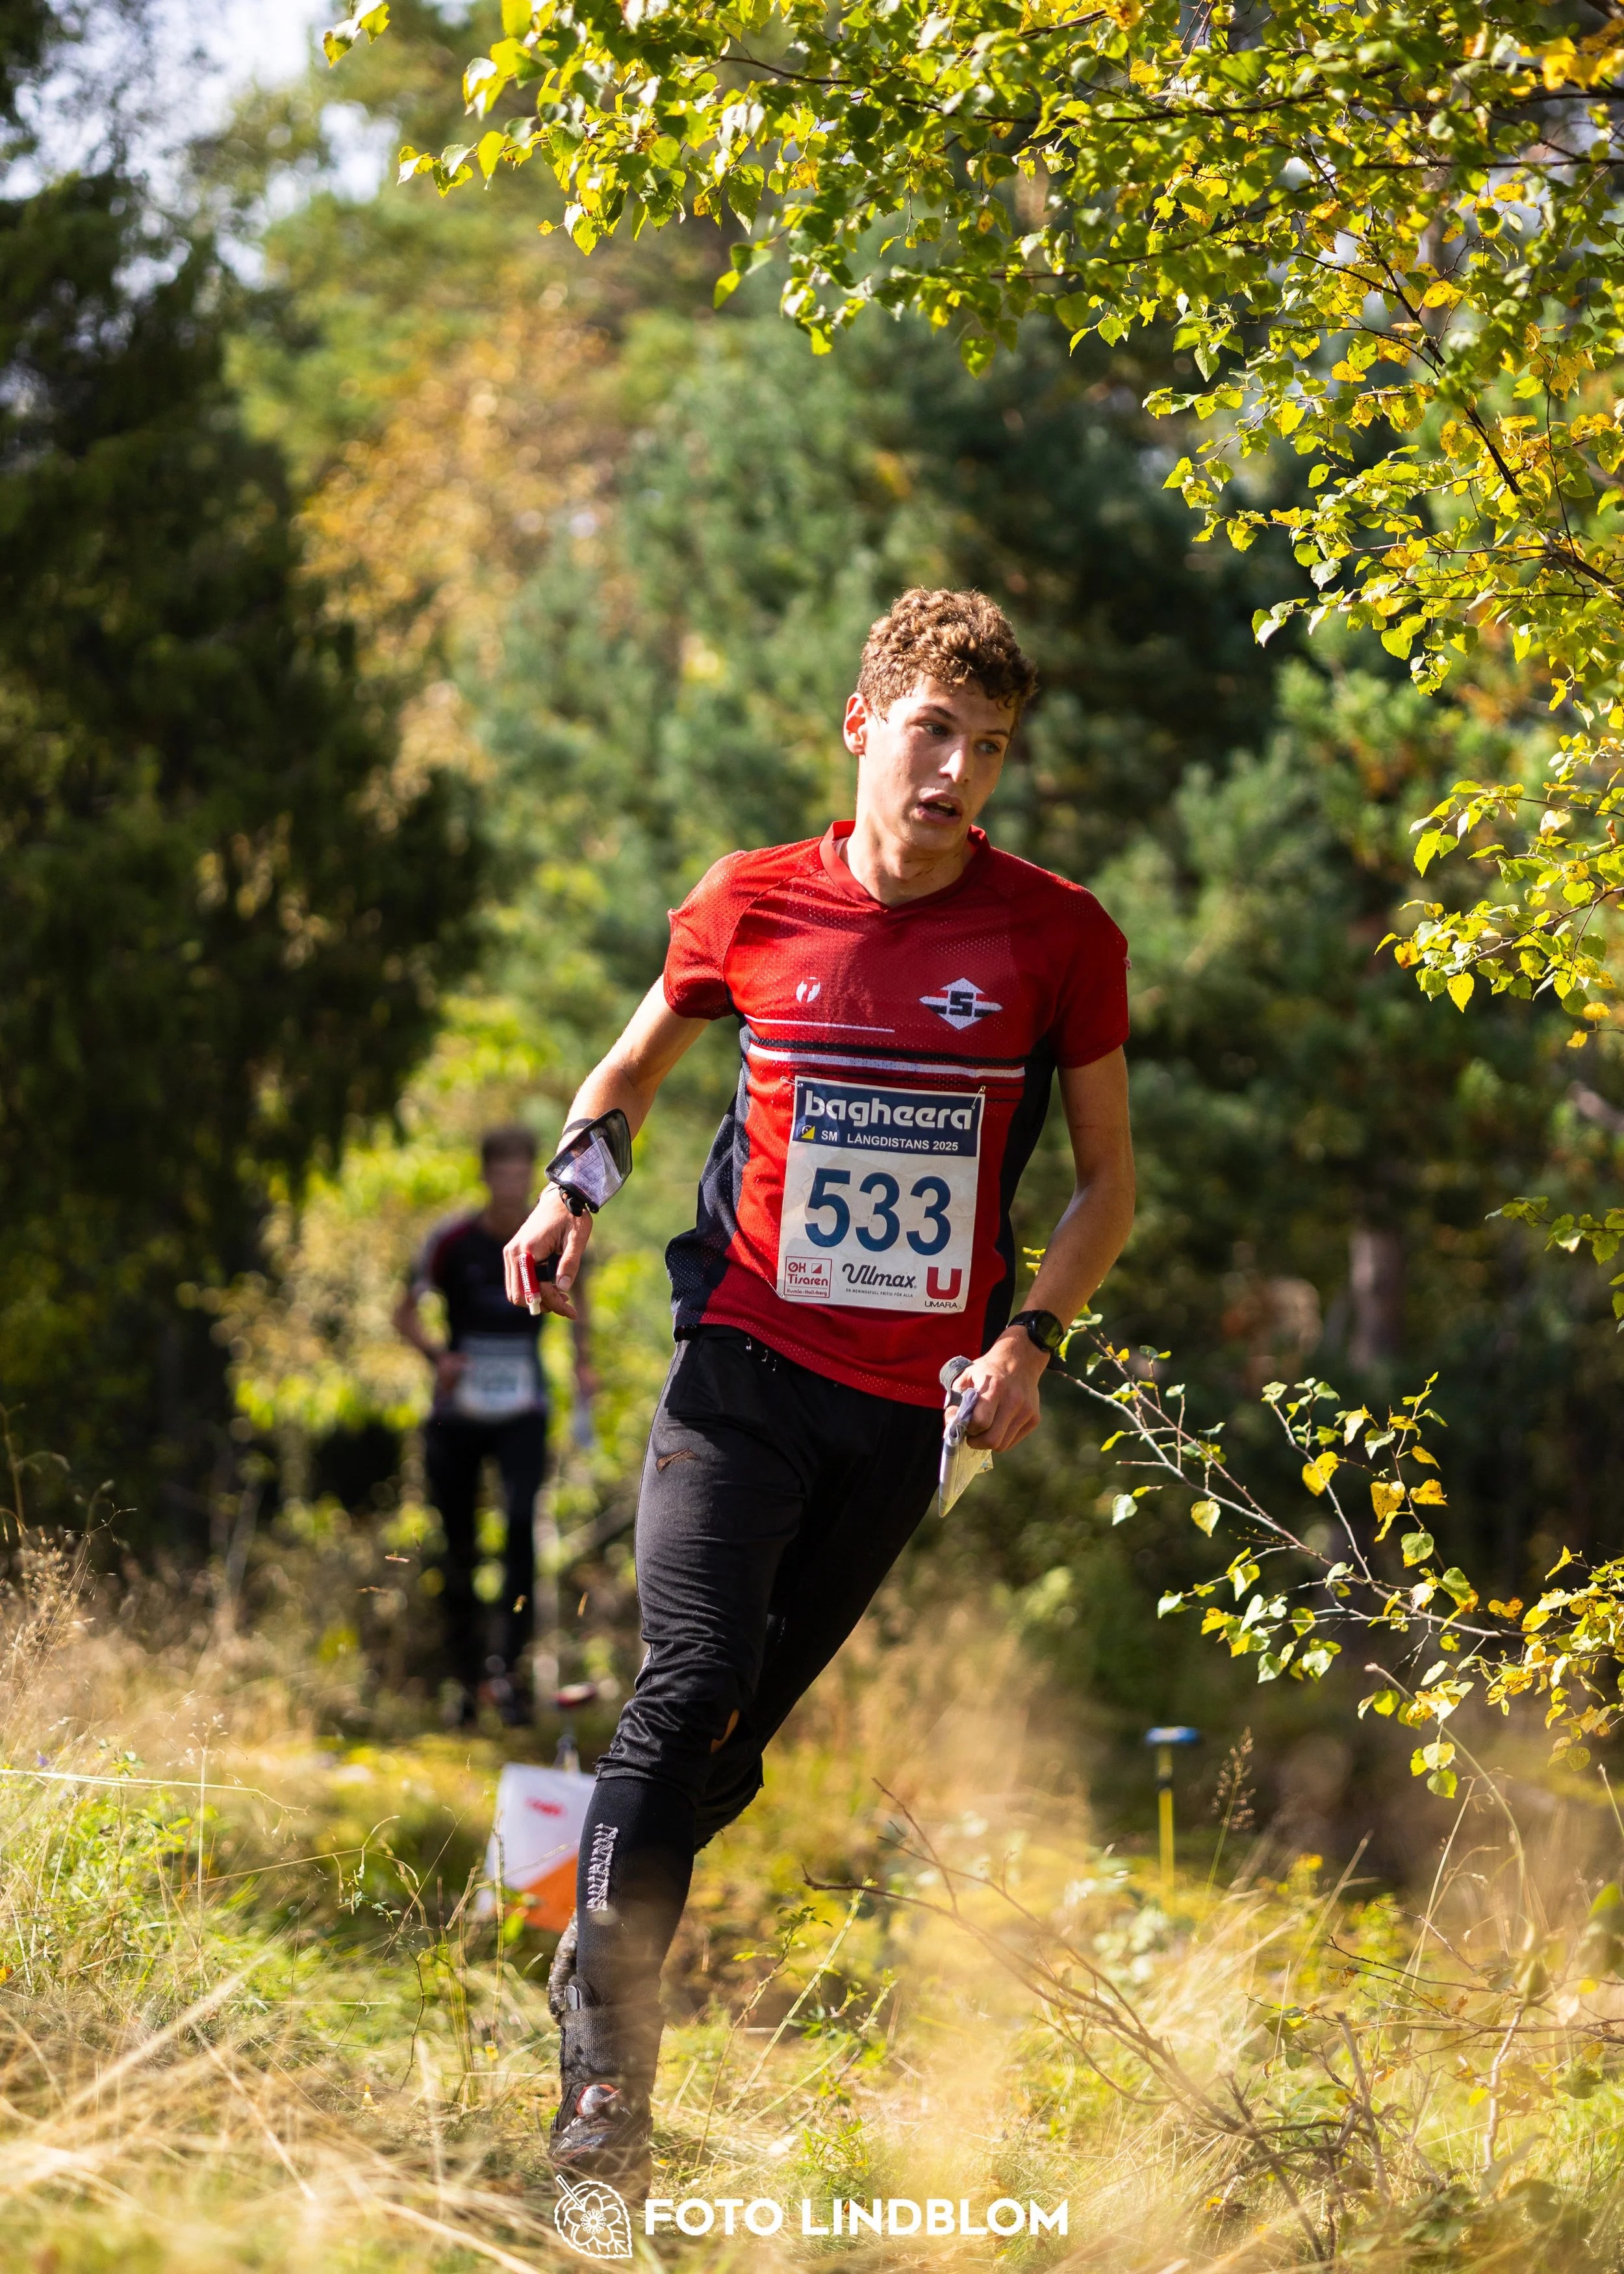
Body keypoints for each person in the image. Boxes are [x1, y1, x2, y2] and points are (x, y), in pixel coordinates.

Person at [505, 588, 1137, 2187]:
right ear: (864, 725)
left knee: (731, 1743)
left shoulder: (1057, 936)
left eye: (988, 748)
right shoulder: (753, 904)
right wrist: (570, 1191)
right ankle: (604, 2111)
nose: (958, 775)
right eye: (934, 733)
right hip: (741, 1367)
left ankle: (577, 1931)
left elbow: (1106, 1187)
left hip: (903, 1414)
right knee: (687, 1680)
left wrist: (1030, 1340)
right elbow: (631, 1071)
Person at [395, 1126, 594, 1726]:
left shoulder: (547, 1234)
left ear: (531, 1174)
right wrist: (439, 1357)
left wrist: (585, 1367)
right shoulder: (452, 1240)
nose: (510, 1183)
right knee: (457, 1546)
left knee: (518, 1536)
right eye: (500, 1172)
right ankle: (461, 1682)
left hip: (522, 1410)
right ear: (485, 1175)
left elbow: (579, 1303)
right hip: (458, 1413)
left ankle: (509, 1677)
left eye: (520, 1172)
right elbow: (403, 1313)